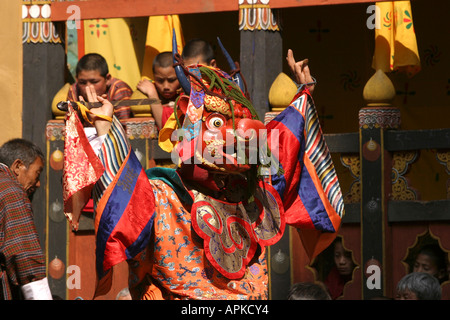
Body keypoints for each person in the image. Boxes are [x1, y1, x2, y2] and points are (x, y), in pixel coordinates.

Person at [62, 47, 344, 300]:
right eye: (219, 123)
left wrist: (305, 91)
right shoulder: (164, 194)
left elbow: (285, 143)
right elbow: (124, 186)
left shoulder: (253, 191)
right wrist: (104, 123)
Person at [0, 139, 52, 300]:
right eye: (37, 172)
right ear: (17, 166)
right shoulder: (11, 191)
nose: (37, 184)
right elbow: (24, 255)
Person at [67, 53, 133, 120]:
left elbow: (125, 126)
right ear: (77, 79)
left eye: (94, 82)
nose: (88, 88)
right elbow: (71, 123)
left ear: (107, 79)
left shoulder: (119, 89)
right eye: (82, 82)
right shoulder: (74, 90)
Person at [137, 51, 181, 130]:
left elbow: (167, 128)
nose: (166, 86)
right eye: (160, 80)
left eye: (171, 80)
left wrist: (153, 95)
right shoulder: (149, 88)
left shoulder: (188, 94)